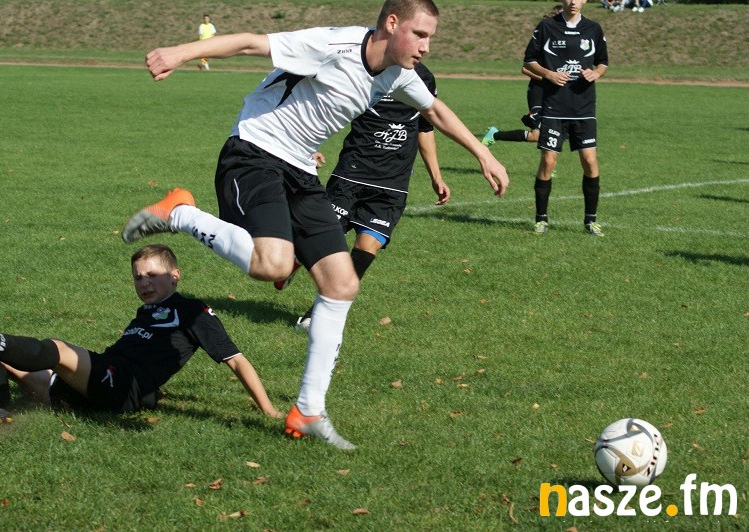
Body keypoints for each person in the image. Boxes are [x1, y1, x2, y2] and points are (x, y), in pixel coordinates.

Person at [121, 0, 509, 450]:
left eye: (430, 38)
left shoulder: (398, 74)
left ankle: (307, 411)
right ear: (392, 23)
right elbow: (250, 43)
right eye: (420, 34)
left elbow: (436, 111)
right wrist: (180, 53)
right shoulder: (332, 45)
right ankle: (180, 212)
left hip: (300, 170)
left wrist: (484, 154)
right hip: (255, 152)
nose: (426, 46)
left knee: (341, 284)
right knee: (272, 265)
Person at [0, 244, 282, 419]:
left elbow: (236, 360)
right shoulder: (145, 311)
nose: (144, 283)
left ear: (175, 275)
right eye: (138, 277)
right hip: (94, 389)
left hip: (121, 385)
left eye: (152, 275)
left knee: (58, 348)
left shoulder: (194, 312)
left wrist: (267, 410)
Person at [284, 61, 449, 332]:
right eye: (418, 40)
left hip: (392, 185)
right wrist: (309, 147)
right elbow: (327, 109)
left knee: (366, 249)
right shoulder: (366, 69)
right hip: (351, 175)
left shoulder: (424, 78)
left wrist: (436, 176)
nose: (422, 47)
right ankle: (294, 260)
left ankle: (317, 314)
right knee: (321, 240)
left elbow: (425, 127)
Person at [523, 0, 608, 236]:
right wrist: (549, 74)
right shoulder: (547, 26)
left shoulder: (593, 28)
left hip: (583, 107)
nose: (573, 2)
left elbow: (603, 62)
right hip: (554, 106)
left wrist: (596, 73)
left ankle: (590, 221)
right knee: (548, 162)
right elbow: (529, 60)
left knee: (590, 161)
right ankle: (541, 220)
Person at [482, 5, 564, 148]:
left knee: (553, 134)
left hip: (554, 94)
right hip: (538, 92)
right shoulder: (542, 43)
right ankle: (494, 134)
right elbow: (525, 68)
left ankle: (547, 167)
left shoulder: (563, 46)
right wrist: (548, 78)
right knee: (536, 135)